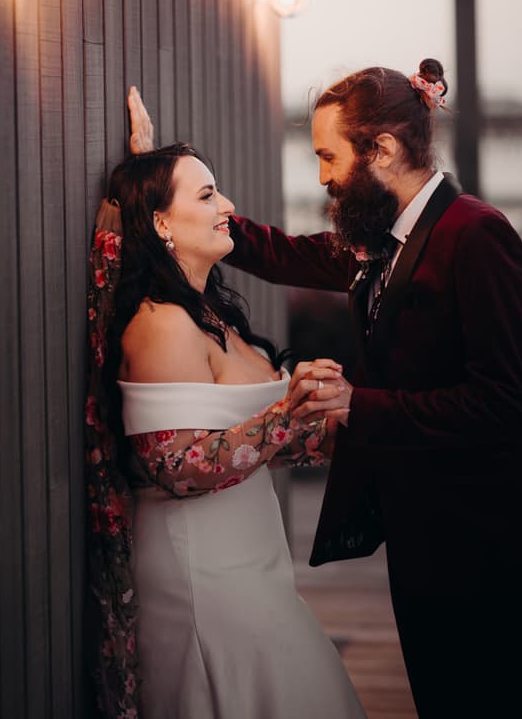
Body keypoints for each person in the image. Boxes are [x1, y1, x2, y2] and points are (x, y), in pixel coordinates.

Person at [128, 63, 522, 718]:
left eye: (328, 155)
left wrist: (355, 406)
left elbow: (507, 400)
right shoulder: (377, 239)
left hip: (483, 539)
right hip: (419, 530)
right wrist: (155, 191)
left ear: (385, 150)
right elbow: (278, 250)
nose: (321, 176)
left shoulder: (475, 235)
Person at [88, 138, 366, 718]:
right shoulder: (160, 326)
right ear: (161, 222)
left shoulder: (211, 314)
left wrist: (340, 420)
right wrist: (286, 413)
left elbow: (254, 443)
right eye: (209, 194)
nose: (228, 205)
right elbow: (175, 468)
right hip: (200, 573)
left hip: (251, 561)